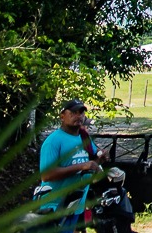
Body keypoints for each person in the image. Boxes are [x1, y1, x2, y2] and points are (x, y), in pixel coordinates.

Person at [37, 99, 106, 230]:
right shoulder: (53, 141)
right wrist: (82, 166)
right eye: (73, 113)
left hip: (75, 205)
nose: (78, 116)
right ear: (62, 116)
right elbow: (46, 175)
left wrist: (100, 159)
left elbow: (90, 164)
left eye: (81, 113)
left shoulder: (84, 138)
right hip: (54, 207)